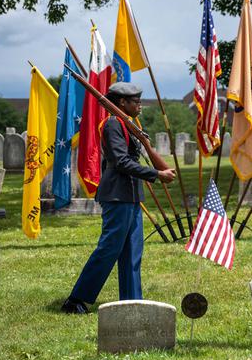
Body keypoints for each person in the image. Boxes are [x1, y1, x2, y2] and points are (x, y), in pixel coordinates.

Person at [61, 82, 176, 314]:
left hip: (131, 195)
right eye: (136, 101)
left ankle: (132, 301)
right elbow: (121, 162)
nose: (140, 105)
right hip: (117, 196)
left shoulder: (128, 124)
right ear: (122, 102)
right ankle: (77, 299)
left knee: (133, 251)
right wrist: (156, 174)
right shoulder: (113, 124)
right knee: (109, 249)